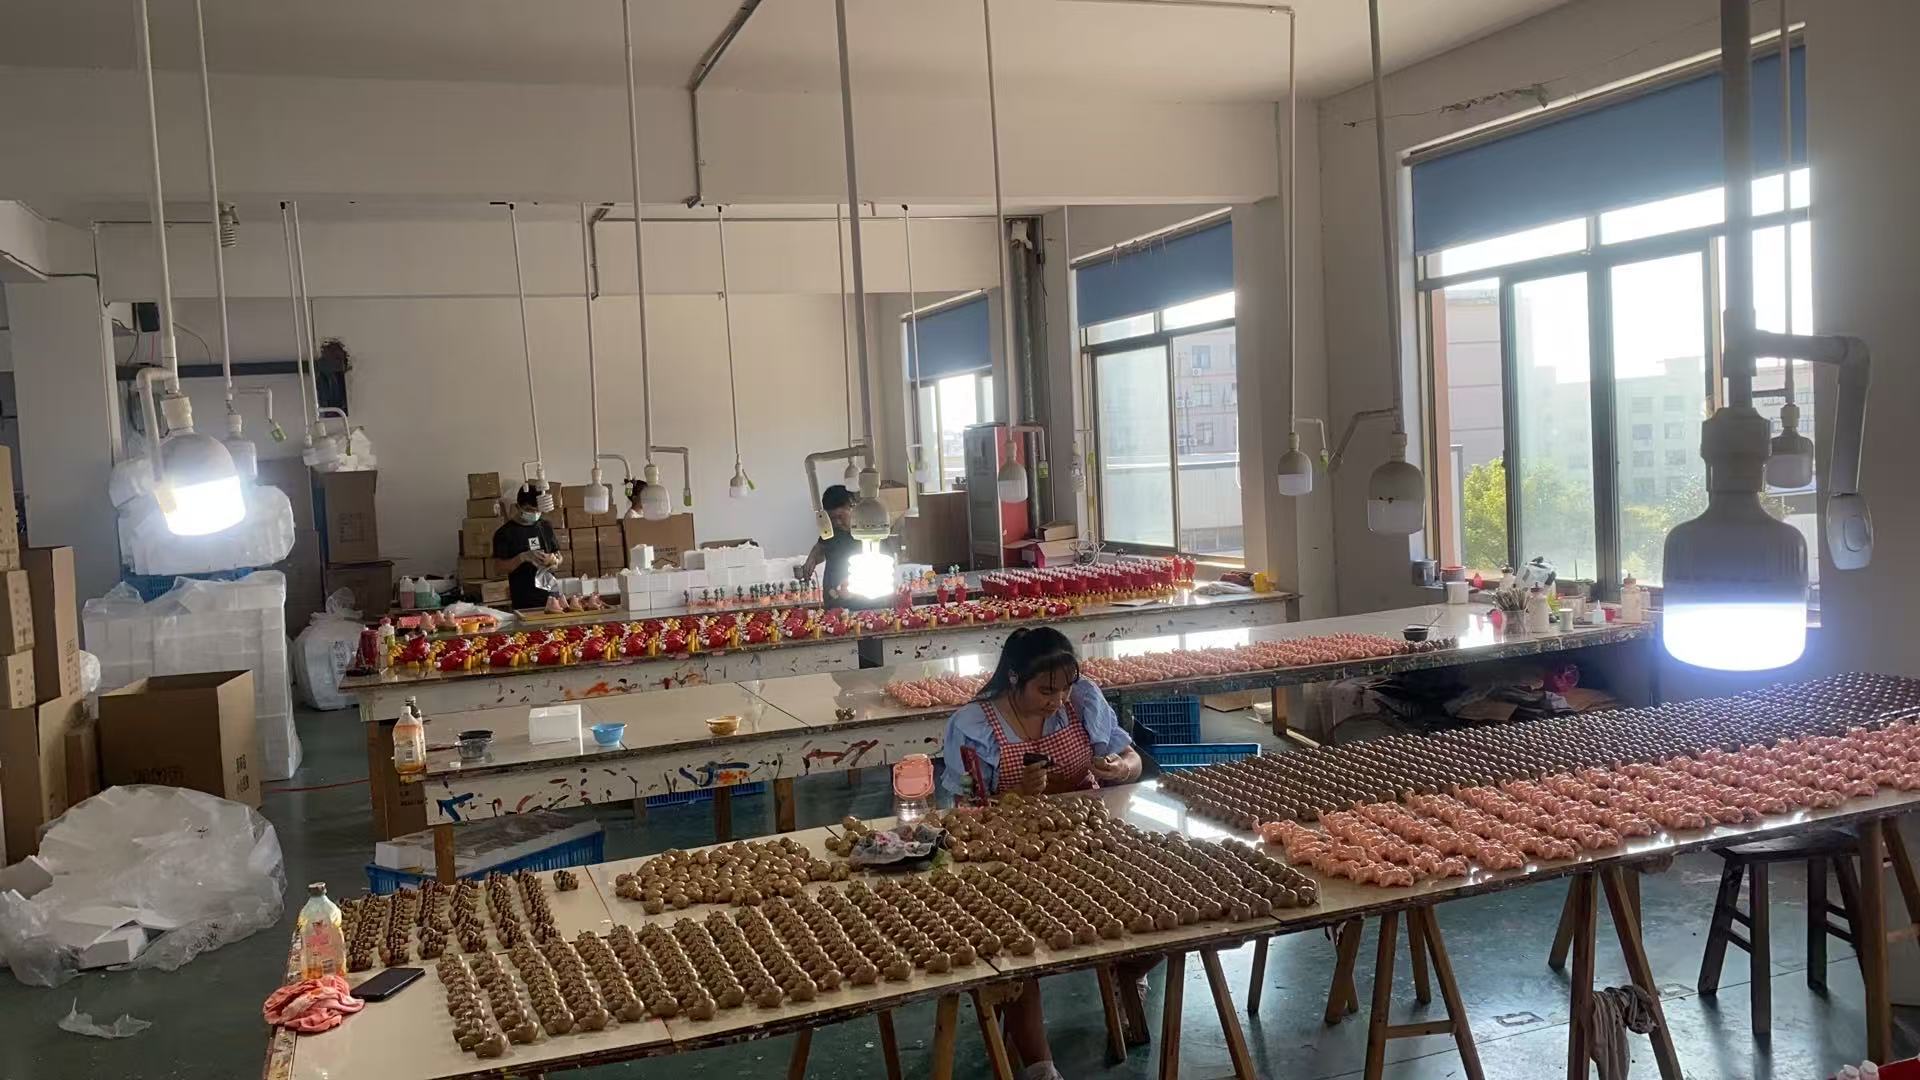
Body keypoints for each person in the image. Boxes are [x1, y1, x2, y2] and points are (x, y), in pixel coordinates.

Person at [937, 627, 1145, 1080]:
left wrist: (1118, 769)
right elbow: (964, 809)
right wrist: (1015, 794)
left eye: (1065, 687)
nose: (1058, 700)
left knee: (1153, 897)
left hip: (1088, 835)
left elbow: (1133, 760)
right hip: (1011, 851)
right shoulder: (974, 724)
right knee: (1017, 937)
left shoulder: (1083, 701)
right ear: (1015, 678)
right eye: (1046, 690)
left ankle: (1129, 968)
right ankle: (1038, 1064)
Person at [799, 484, 894, 605]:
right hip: (835, 603)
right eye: (832, 518)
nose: (837, 522)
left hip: (867, 604)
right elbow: (821, 547)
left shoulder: (873, 532)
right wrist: (812, 557)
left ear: (852, 507)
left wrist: (854, 582)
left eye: (840, 516)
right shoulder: (833, 531)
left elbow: (886, 568)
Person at [492, 483, 562, 610]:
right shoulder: (505, 533)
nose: (534, 513)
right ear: (518, 507)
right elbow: (498, 568)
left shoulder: (545, 526)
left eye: (537, 510)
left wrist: (554, 560)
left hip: (551, 596)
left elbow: (559, 555)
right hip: (525, 599)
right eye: (529, 510)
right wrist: (522, 557)